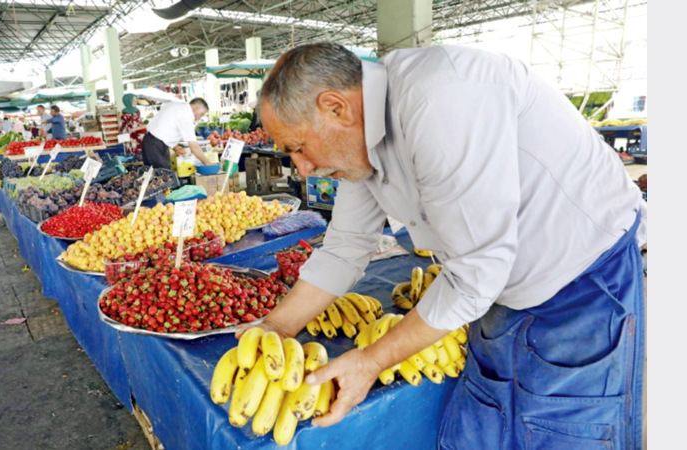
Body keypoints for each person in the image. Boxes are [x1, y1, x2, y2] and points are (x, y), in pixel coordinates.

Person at [236, 43, 647, 449]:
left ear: (336, 108)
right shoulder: (359, 140)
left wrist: (370, 361)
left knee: (567, 431)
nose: (303, 169)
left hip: (584, 282)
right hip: (496, 290)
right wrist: (275, 326)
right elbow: (345, 247)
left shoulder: (441, 102)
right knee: (485, 424)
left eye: (297, 148)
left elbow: (474, 276)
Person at [142, 98, 214, 168]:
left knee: (160, 174)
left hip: (151, 142)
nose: (199, 118)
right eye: (201, 114)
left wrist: (175, 147)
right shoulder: (186, 115)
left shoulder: (178, 106)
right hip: (155, 146)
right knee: (163, 175)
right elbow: (194, 147)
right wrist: (208, 163)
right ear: (196, 108)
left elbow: (166, 127)